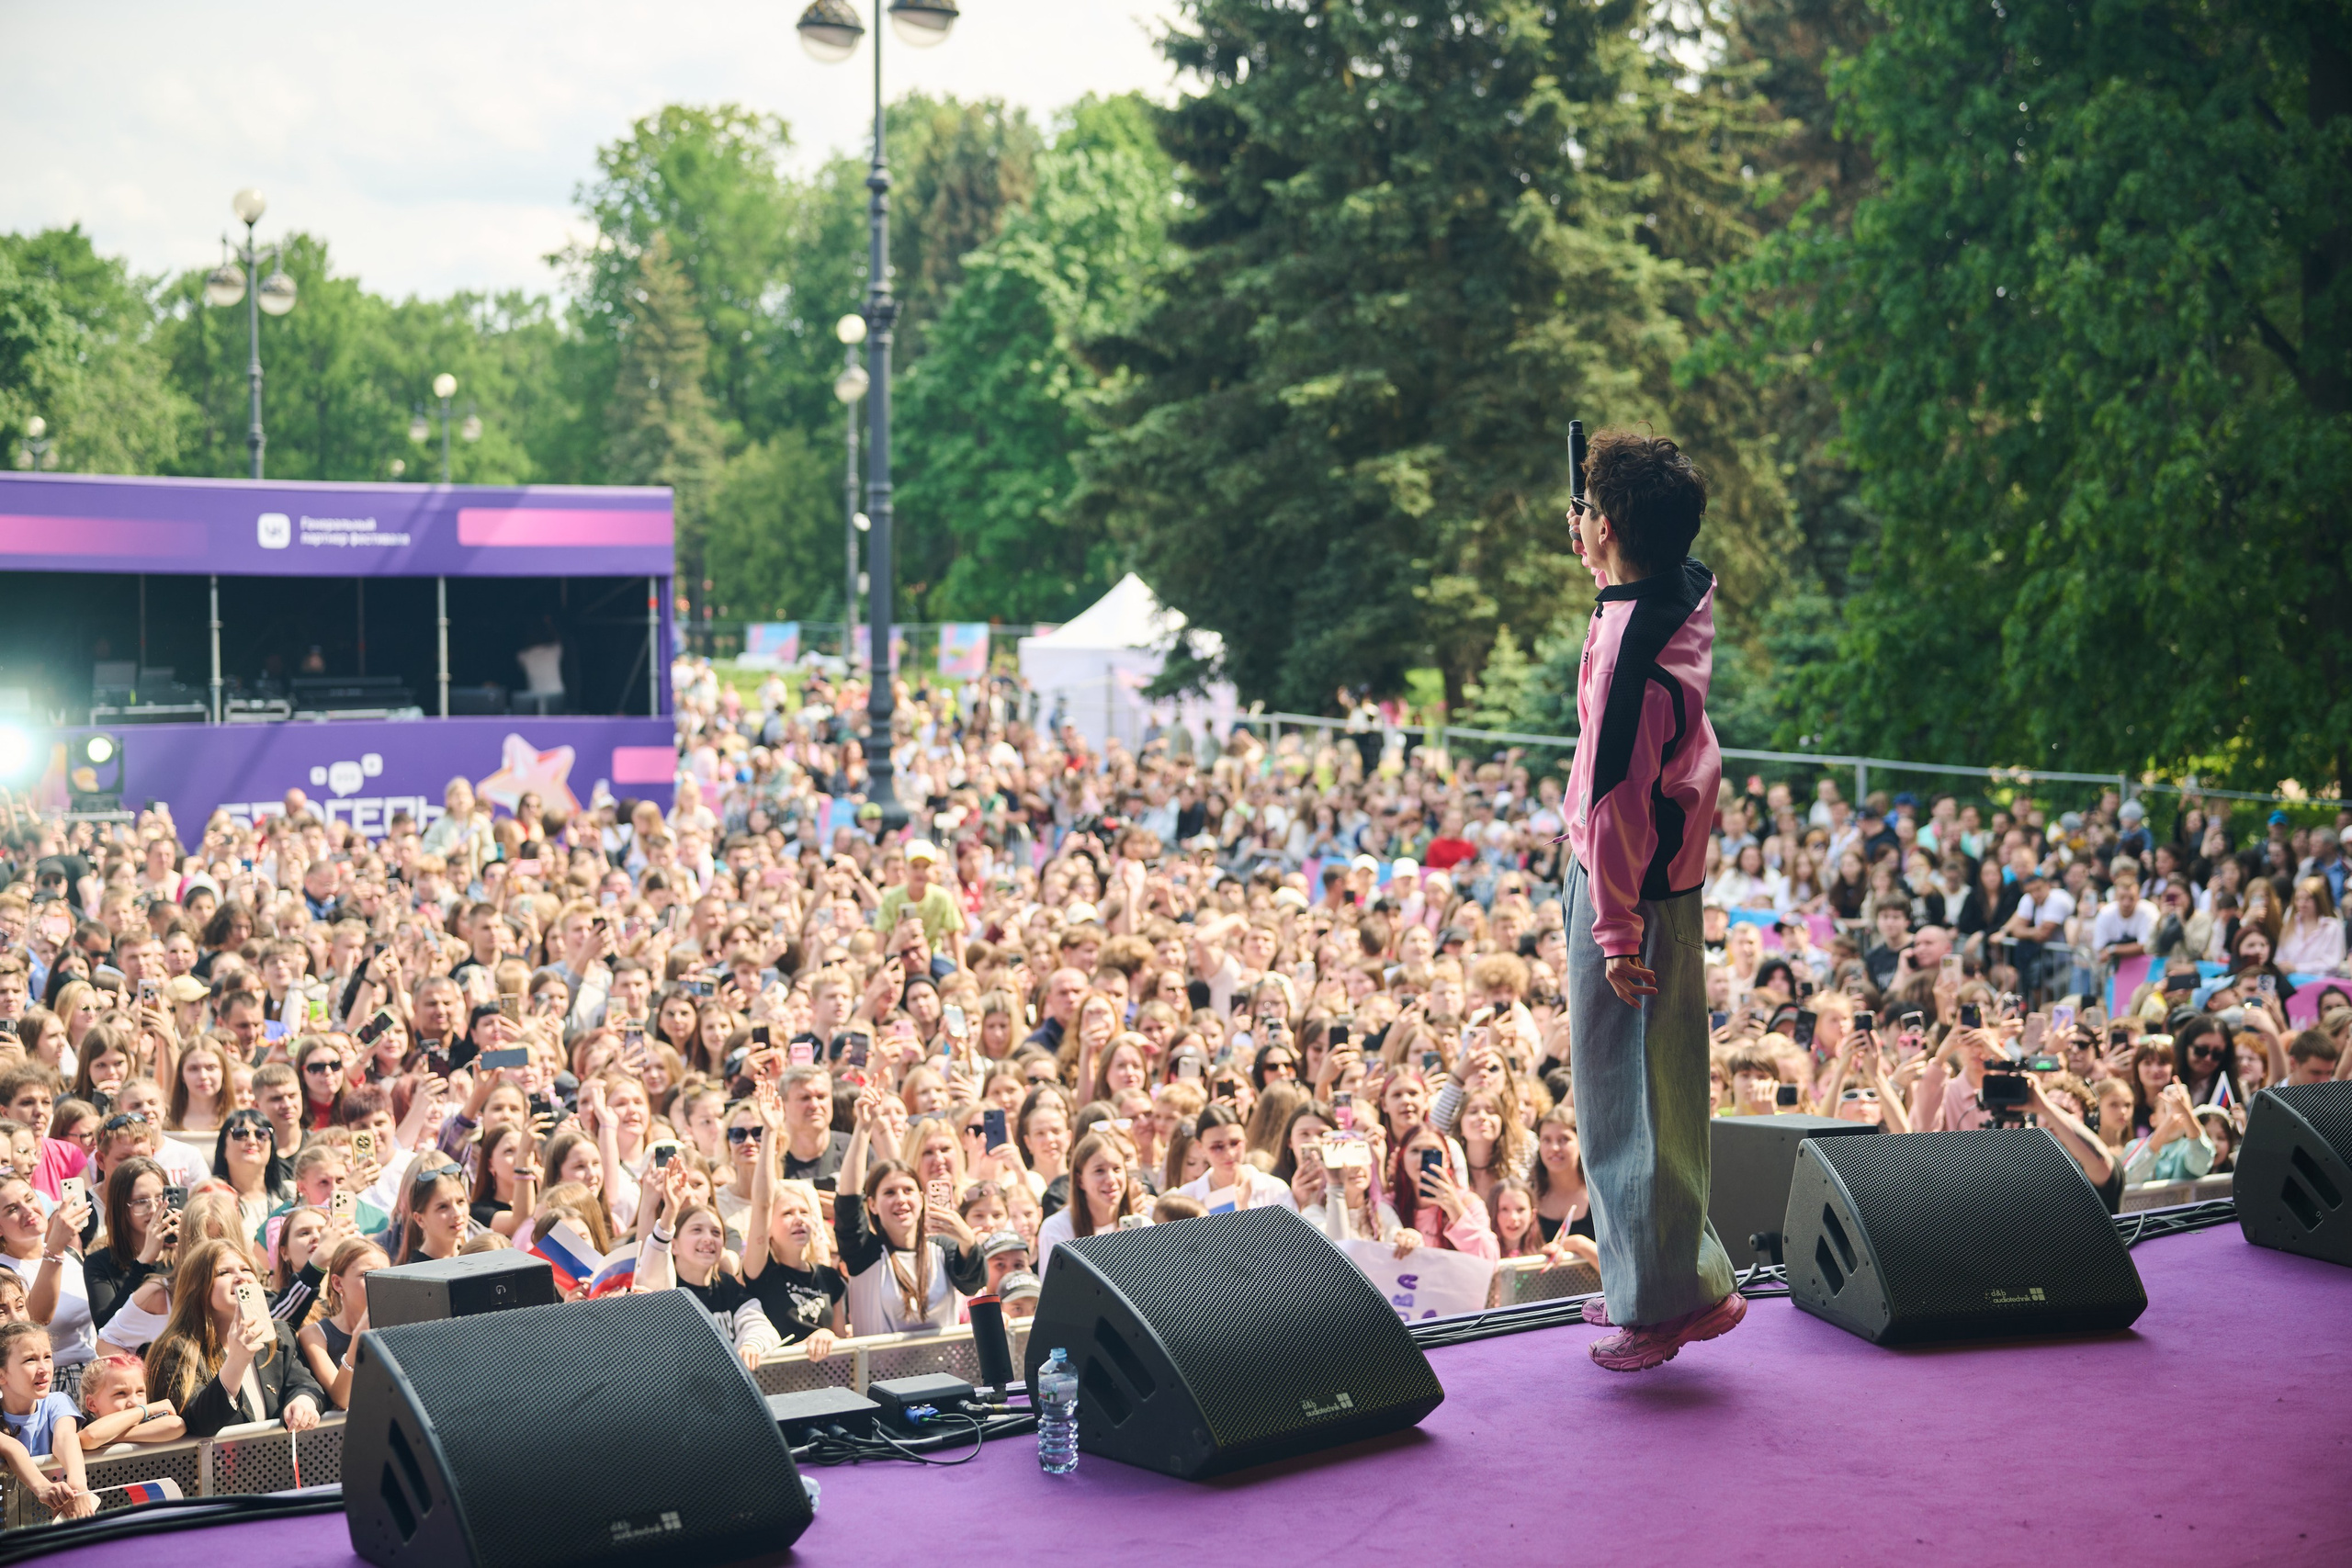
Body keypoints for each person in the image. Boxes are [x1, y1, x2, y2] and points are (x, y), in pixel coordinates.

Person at [1560, 430, 1741, 1371]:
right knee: (1658, 1085)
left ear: (1613, 525)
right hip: (1661, 880)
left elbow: (1613, 800)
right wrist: (1603, 558)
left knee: (1623, 1093)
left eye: (1593, 517)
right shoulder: (1678, 592)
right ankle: (1662, 1280)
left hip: (1625, 889)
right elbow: (1629, 595)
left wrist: (1616, 930)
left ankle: (1660, 1305)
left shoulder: (1631, 653)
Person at [143, 1238, 324, 1438]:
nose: (240, 1278)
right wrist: (236, 1362)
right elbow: (199, 1424)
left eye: (246, 1270)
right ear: (197, 1288)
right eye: (224, 1272)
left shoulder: (277, 1334)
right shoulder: (175, 1349)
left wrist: (303, 1401)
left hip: (280, 1463)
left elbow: (306, 1384)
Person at [0, 1322, 95, 1518]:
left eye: (48, 1357)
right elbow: (12, 1447)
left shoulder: (57, 1401)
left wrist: (77, 1487)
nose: (43, 1368)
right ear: (2, 1375)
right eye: (30, 1360)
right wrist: (43, 1488)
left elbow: (65, 1438)